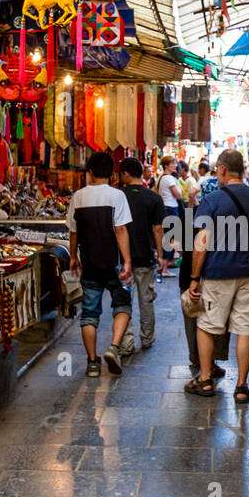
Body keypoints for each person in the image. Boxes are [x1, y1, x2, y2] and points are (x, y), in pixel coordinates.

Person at [186, 149, 249, 403]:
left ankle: (205, 380)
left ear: (223, 169)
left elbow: (201, 244)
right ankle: (242, 386)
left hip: (217, 273)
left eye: (217, 170)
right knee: (245, 329)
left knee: (206, 325)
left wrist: (194, 277)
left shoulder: (212, 200)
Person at [67, 151, 133, 376]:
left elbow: (73, 232)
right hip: (112, 263)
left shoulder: (78, 197)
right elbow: (121, 229)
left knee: (89, 313)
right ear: (112, 173)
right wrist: (127, 261)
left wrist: (73, 256)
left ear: (90, 172)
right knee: (123, 304)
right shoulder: (117, 196)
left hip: (89, 263)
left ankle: (92, 363)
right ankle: (114, 347)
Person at [118, 156, 164, 353]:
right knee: (146, 301)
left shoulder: (118, 196)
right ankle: (147, 338)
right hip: (146, 256)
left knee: (124, 301)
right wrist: (160, 255)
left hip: (122, 259)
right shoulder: (154, 198)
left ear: (126, 174)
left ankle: (126, 343)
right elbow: (158, 229)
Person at [156, 156, 182, 275]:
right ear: (166, 165)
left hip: (165, 208)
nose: (175, 165)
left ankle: (164, 266)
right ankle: (165, 268)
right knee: (171, 238)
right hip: (171, 208)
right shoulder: (170, 179)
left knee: (168, 237)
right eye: (172, 163)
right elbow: (178, 195)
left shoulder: (161, 178)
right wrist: (178, 184)